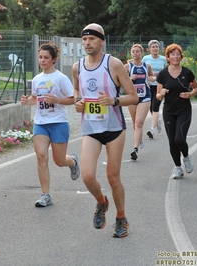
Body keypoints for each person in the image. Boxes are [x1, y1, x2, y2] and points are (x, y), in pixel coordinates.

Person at [72, 23, 138, 237]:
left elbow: (134, 96)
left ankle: (121, 217)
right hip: (91, 127)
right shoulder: (77, 66)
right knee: (88, 176)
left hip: (113, 128)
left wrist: (113, 100)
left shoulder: (114, 64)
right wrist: (78, 102)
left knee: (112, 177)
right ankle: (102, 202)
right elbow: (76, 91)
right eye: (84, 39)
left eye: (91, 39)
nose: (87, 43)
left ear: (102, 41)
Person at [20, 42, 80, 207]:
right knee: (41, 156)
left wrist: (56, 100)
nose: (42, 60)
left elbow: (72, 99)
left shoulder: (61, 78)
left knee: (59, 160)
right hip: (41, 123)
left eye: (46, 57)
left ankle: (72, 162)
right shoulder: (37, 79)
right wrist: (28, 101)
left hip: (59, 122)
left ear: (54, 59)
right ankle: (45, 195)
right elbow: (35, 98)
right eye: (40, 57)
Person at [156, 44, 197, 179]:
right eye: (172, 54)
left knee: (179, 139)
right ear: (168, 57)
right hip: (169, 111)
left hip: (184, 110)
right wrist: (161, 93)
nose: (175, 56)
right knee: (172, 142)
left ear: (181, 56)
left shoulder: (187, 72)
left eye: (178, 54)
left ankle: (186, 157)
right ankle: (178, 168)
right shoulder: (163, 74)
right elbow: (157, 95)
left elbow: (196, 88)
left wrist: (191, 94)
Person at [125, 44, 155, 160]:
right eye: (133, 52)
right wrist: (129, 79)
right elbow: (118, 80)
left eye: (138, 51)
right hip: (132, 97)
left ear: (141, 53)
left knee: (139, 122)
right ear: (131, 53)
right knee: (134, 122)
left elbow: (153, 77)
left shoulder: (147, 66)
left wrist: (152, 79)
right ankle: (140, 138)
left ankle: (135, 149)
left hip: (145, 97)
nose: (135, 53)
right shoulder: (127, 67)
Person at [142, 40, 167, 139]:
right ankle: (158, 120)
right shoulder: (146, 58)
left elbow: (166, 72)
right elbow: (143, 71)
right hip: (148, 86)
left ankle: (152, 130)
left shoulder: (163, 59)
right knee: (151, 108)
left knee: (155, 107)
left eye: (157, 46)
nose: (155, 48)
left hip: (159, 86)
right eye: (153, 47)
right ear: (149, 49)